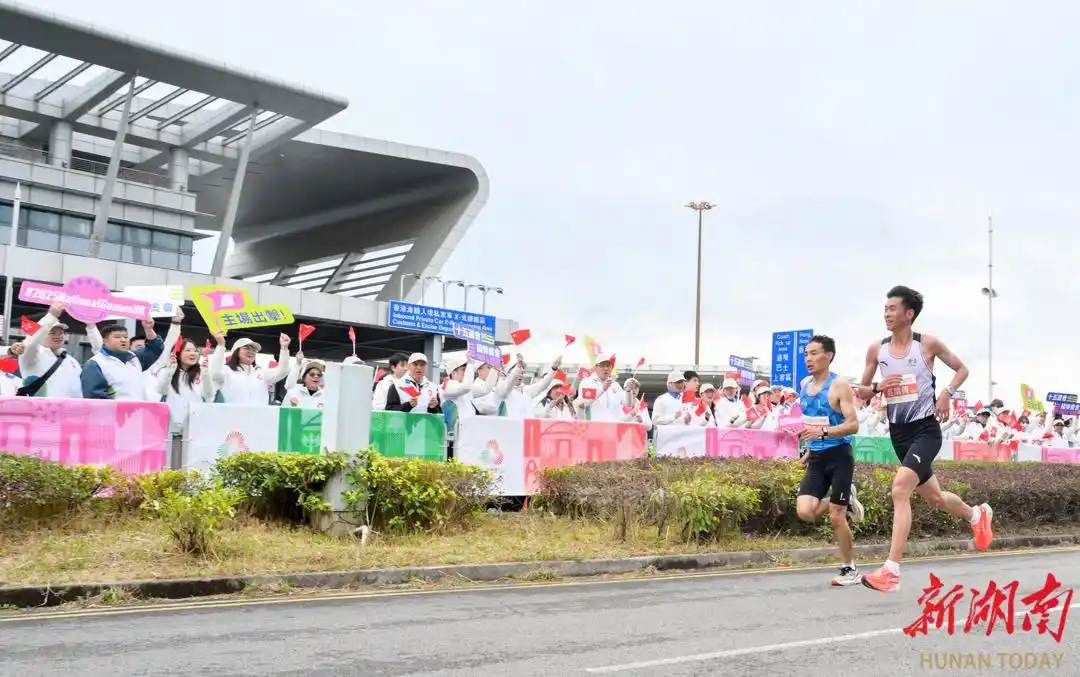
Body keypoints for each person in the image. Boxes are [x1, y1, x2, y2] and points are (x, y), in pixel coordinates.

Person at [857, 285, 993, 593]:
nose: (887, 313)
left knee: (900, 489)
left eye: (892, 308)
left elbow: (962, 369)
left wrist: (946, 394)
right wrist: (879, 387)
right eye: (885, 308)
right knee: (934, 498)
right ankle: (977, 514)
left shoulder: (927, 344)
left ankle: (891, 571)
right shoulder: (876, 350)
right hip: (899, 433)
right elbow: (862, 390)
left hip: (925, 430)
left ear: (909, 314)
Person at [794, 335, 865, 586]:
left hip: (839, 456)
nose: (809, 359)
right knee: (805, 511)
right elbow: (812, 424)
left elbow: (853, 424)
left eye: (814, 353)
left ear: (829, 356)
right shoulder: (804, 386)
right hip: (817, 457)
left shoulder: (839, 386)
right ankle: (848, 499)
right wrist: (809, 451)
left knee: (836, 516)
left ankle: (850, 569)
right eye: (806, 354)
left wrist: (823, 433)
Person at [81, 321, 166, 400]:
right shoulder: (95, 364)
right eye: (117, 337)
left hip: (139, 413)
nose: (123, 340)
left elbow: (156, 348)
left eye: (125, 337)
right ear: (105, 341)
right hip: (113, 414)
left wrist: (148, 329)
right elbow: (94, 397)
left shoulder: (135, 358)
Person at [209, 333, 292, 405]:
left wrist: (284, 348)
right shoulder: (226, 371)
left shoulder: (261, 372)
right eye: (247, 348)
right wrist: (221, 345)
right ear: (236, 351)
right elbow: (214, 374)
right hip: (233, 420)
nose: (251, 352)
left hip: (258, 420)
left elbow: (282, 371)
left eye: (253, 350)